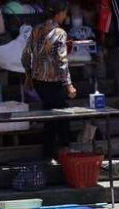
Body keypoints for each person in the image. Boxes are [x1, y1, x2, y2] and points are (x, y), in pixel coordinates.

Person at [21, 0, 77, 158]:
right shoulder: (59, 33)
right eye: (65, 13)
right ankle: (65, 148)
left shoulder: (36, 29)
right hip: (53, 81)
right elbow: (62, 61)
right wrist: (69, 85)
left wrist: (28, 75)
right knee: (63, 113)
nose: (66, 16)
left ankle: (49, 151)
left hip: (39, 81)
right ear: (59, 13)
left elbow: (26, 55)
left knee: (50, 114)